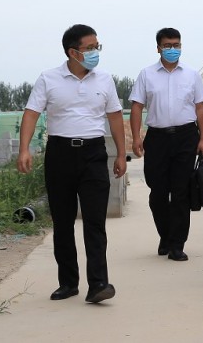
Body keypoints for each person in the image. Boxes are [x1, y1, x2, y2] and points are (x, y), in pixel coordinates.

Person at [16, 24, 126, 303]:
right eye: (90, 48)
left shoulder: (105, 80)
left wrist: (121, 154)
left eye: (97, 46)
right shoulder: (48, 78)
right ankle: (68, 283)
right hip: (60, 155)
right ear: (73, 52)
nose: (95, 52)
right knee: (63, 222)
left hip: (93, 154)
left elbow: (115, 117)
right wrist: (24, 149)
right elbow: (31, 113)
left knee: (94, 222)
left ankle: (98, 283)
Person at [130, 28, 203, 262]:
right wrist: (136, 137)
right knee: (158, 192)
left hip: (186, 137)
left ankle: (177, 244)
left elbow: (200, 108)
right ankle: (165, 236)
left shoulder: (191, 74)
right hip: (157, 138)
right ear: (158, 48)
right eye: (167, 45)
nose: (172, 49)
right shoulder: (146, 74)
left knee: (181, 191)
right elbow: (136, 107)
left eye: (176, 45)